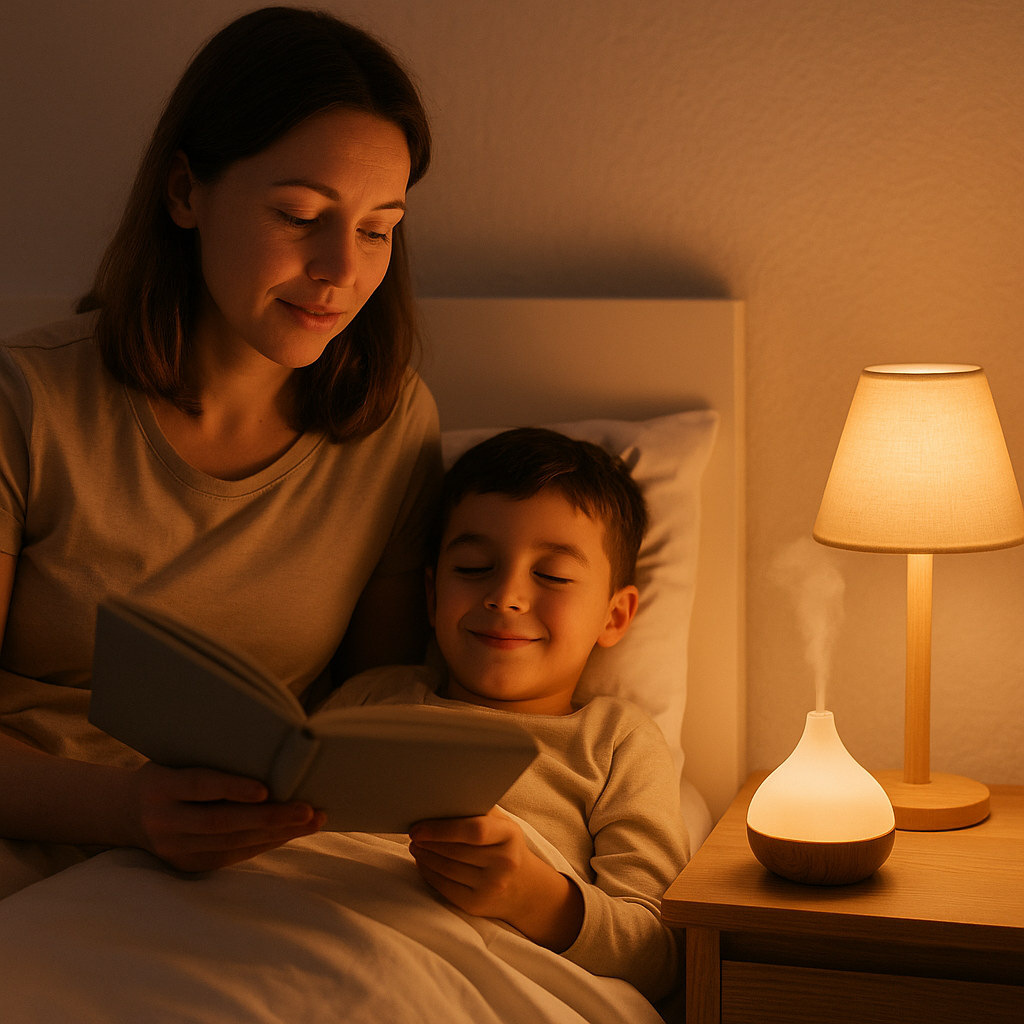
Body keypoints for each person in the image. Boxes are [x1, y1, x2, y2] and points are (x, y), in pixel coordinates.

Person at [0, 7, 441, 896]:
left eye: (376, 228)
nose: (340, 269)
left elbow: (370, 713)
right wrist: (128, 810)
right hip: (32, 835)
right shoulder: (29, 402)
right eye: (300, 214)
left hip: (254, 868)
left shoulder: (390, 428)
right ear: (185, 193)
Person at [322, 427, 691, 1003]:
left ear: (615, 616)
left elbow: (663, 956)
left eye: (553, 576)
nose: (506, 596)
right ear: (431, 595)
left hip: (442, 975)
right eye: (472, 567)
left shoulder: (614, 741)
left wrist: (534, 897)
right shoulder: (373, 698)